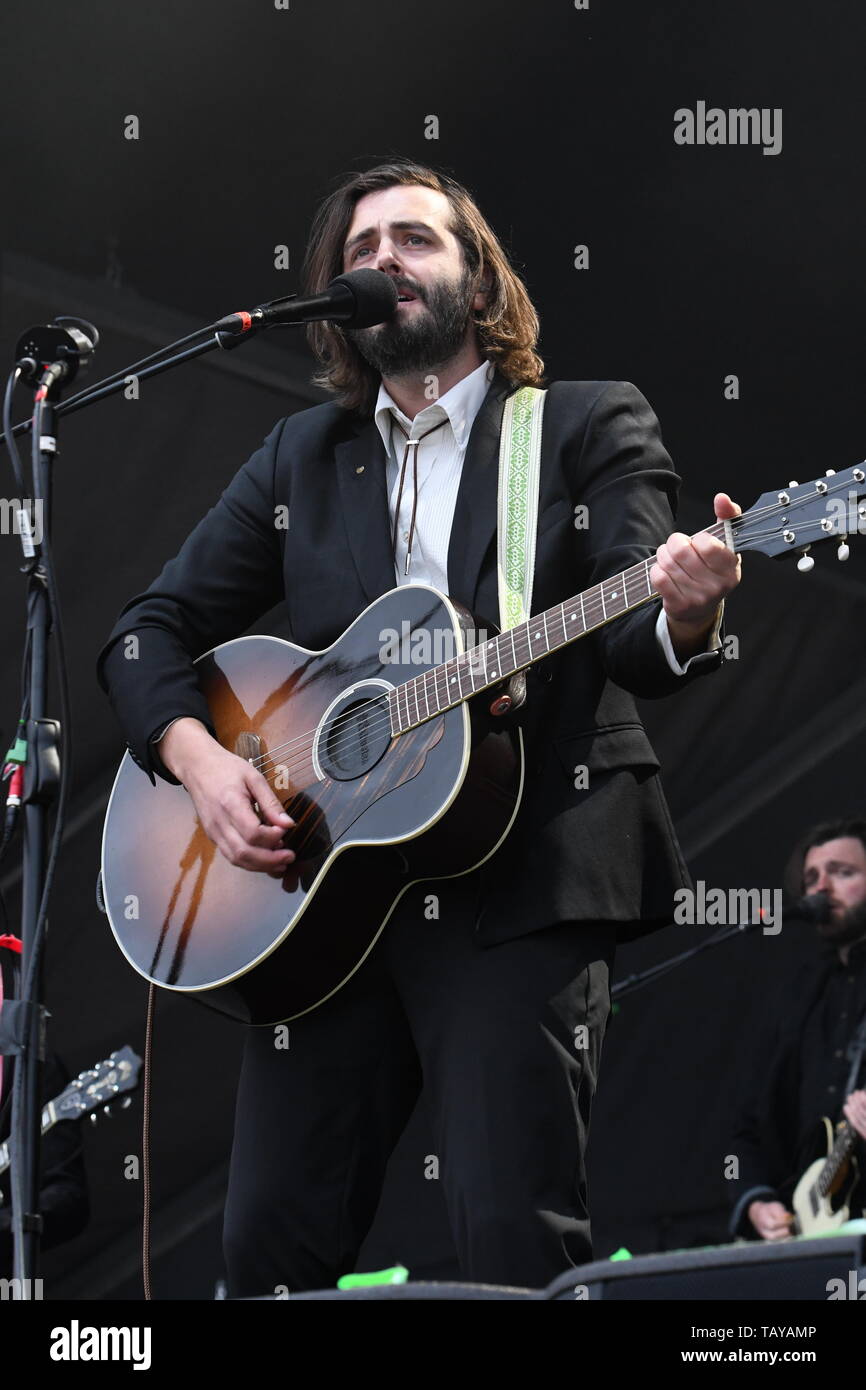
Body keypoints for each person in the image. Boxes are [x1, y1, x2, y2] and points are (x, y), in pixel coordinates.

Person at [97, 159, 740, 1295]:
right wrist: (198, 761)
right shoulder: (302, 456)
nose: (382, 259)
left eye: (413, 239)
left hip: (517, 871)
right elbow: (147, 631)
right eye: (358, 250)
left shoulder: (586, 422)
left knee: (507, 1230)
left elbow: (634, 642)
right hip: (327, 888)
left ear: (477, 278)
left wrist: (688, 610)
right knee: (266, 1248)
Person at [728, 818, 866, 1241]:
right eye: (811, 877)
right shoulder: (796, 999)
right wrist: (756, 1199)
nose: (821, 887)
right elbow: (749, 1125)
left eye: (843, 872)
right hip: (813, 1236)